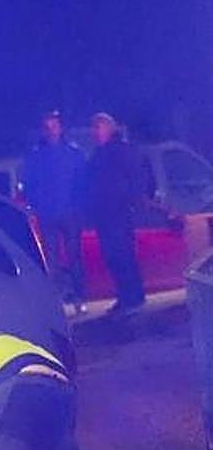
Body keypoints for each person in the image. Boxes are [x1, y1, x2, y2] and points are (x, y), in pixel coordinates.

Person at [22, 111, 86, 310]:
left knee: (74, 255)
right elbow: (30, 183)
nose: (51, 130)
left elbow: (82, 182)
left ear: (61, 127)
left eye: (55, 125)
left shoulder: (73, 153)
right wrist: (36, 206)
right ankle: (58, 300)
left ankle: (79, 297)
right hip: (48, 215)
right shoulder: (37, 156)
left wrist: (79, 207)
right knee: (52, 258)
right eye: (48, 126)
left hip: (70, 214)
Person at [85, 112, 145, 313]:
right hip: (105, 215)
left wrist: (130, 200)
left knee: (123, 255)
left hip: (119, 213)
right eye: (94, 128)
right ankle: (125, 295)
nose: (95, 132)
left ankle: (133, 297)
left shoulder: (122, 151)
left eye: (98, 127)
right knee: (112, 257)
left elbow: (136, 179)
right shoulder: (97, 154)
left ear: (109, 128)